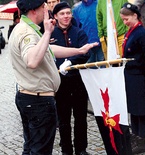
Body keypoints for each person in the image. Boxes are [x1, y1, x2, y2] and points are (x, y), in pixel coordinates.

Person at [8, 0, 97, 154]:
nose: (47, 8)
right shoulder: (26, 32)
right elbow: (32, 60)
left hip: (35, 97)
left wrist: (79, 51)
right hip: (38, 101)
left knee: (30, 147)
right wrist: (48, 32)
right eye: (44, 6)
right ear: (34, 10)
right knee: (40, 149)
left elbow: (48, 49)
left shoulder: (29, 28)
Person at [50, 2, 91, 155]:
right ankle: (66, 149)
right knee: (63, 119)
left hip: (78, 82)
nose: (66, 16)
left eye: (68, 13)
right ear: (55, 16)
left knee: (81, 118)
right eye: (62, 13)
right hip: (60, 83)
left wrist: (71, 61)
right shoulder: (51, 34)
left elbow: (85, 53)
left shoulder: (79, 33)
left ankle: (81, 149)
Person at [120, 2, 145, 154]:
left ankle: (141, 140)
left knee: (140, 110)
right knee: (133, 110)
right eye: (122, 19)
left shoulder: (141, 33)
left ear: (135, 15)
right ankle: (135, 137)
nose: (124, 22)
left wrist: (138, 68)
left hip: (137, 78)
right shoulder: (131, 31)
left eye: (126, 18)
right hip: (130, 77)